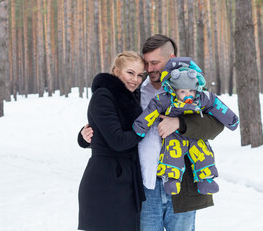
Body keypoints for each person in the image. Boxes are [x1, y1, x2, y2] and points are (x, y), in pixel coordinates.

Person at [79, 34, 224, 231]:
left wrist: (180, 123)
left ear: (171, 58)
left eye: (154, 63)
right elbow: (111, 123)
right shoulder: (136, 92)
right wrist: (84, 136)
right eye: (146, 63)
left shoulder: (191, 87)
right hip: (145, 187)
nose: (148, 70)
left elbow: (216, 124)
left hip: (181, 185)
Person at [133, 57, 239, 196]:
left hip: (195, 136)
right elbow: (152, 110)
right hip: (174, 135)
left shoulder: (203, 98)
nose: (188, 95)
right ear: (175, 90)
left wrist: (232, 120)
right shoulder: (166, 99)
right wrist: (141, 127)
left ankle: (206, 179)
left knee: (203, 153)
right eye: (183, 92)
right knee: (172, 153)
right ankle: (172, 179)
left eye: (190, 91)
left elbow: (217, 106)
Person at [77, 51, 146, 231]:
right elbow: (118, 140)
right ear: (116, 72)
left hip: (125, 179)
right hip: (106, 182)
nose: (135, 79)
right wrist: (145, 128)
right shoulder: (104, 96)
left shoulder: (133, 97)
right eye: (130, 73)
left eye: (140, 75)